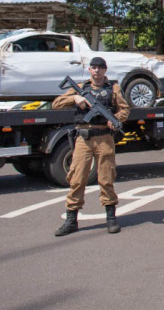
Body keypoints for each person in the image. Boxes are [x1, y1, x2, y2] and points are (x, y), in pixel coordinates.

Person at [52, 56, 130, 237]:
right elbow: (56, 103)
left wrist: (116, 119)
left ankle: (111, 218)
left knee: (106, 178)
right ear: (89, 70)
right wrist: (74, 98)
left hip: (104, 137)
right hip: (83, 138)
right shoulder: (80, 88)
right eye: (94, 68)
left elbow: (124, 109)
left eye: (100, 68)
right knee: (77, 178)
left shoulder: (113, 88)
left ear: (105, 70)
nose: (97, 71)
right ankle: (71, 220)